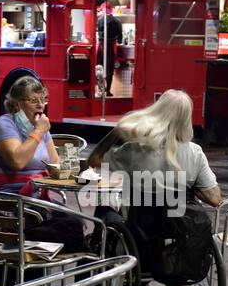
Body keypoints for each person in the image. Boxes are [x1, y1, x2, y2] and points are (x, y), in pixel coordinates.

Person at [88, 89, 221, 209]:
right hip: (179, 231)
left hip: (137, 231)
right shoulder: (195, 153)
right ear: (186, 119)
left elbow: (94, 160)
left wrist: (116, 131)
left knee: (103, 209)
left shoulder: (135, 149)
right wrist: (190, 189)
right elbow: (215, 199)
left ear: (156, 111)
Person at [0, 76, 59, 197]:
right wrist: (38, 131)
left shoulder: (41, 128)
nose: (41, 105)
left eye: (43, 100)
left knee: (74, 216)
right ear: (16, 104)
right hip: (2, 197)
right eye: (33, 100)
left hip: (34, 195)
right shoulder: (3, 125)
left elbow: (55, 164)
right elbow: (17, 162)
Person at [96, 3, 124, 94]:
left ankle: (100, 90)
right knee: (109, 69)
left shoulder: (99, 20)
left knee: (99, 68)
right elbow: (120, 39)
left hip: (100, 47)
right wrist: (118, 40)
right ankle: (108, 90)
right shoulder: (117, 21)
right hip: (111, 47)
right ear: (111, 10)